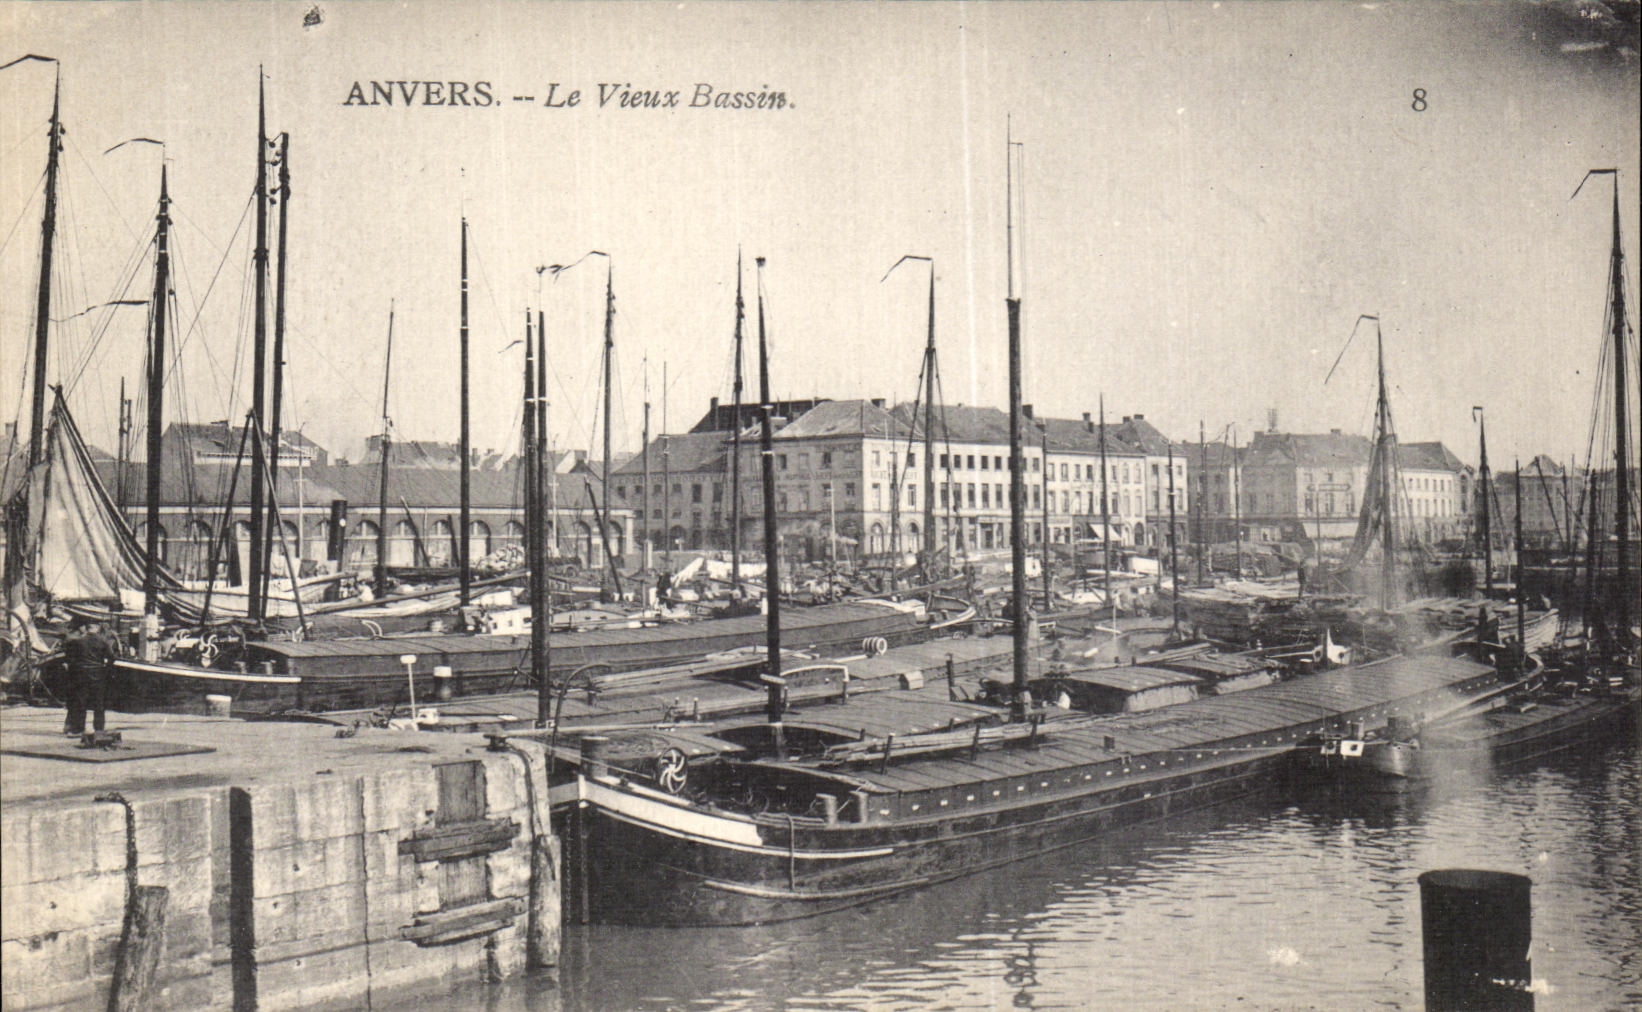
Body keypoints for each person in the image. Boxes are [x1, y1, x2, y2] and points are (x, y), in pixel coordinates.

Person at [62, 618, 115, 736]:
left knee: (81, 703)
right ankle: (99, 729)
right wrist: (104, 669)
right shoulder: (104, 642)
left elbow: (70, 658)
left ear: (86, 628)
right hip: (98, 675)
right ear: (97, 628)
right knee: (99, 704)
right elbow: (112, 658)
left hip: (81, 675)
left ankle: (79, 729)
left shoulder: (78, 642)